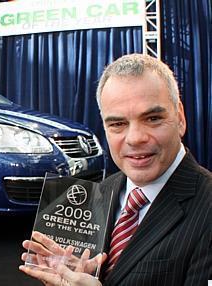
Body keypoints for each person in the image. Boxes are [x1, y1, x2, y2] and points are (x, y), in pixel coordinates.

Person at [19, 53, 212, 286]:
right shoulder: (102, 191)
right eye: (118, 124)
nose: (135, 138)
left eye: (152, 118)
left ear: (180, 118)